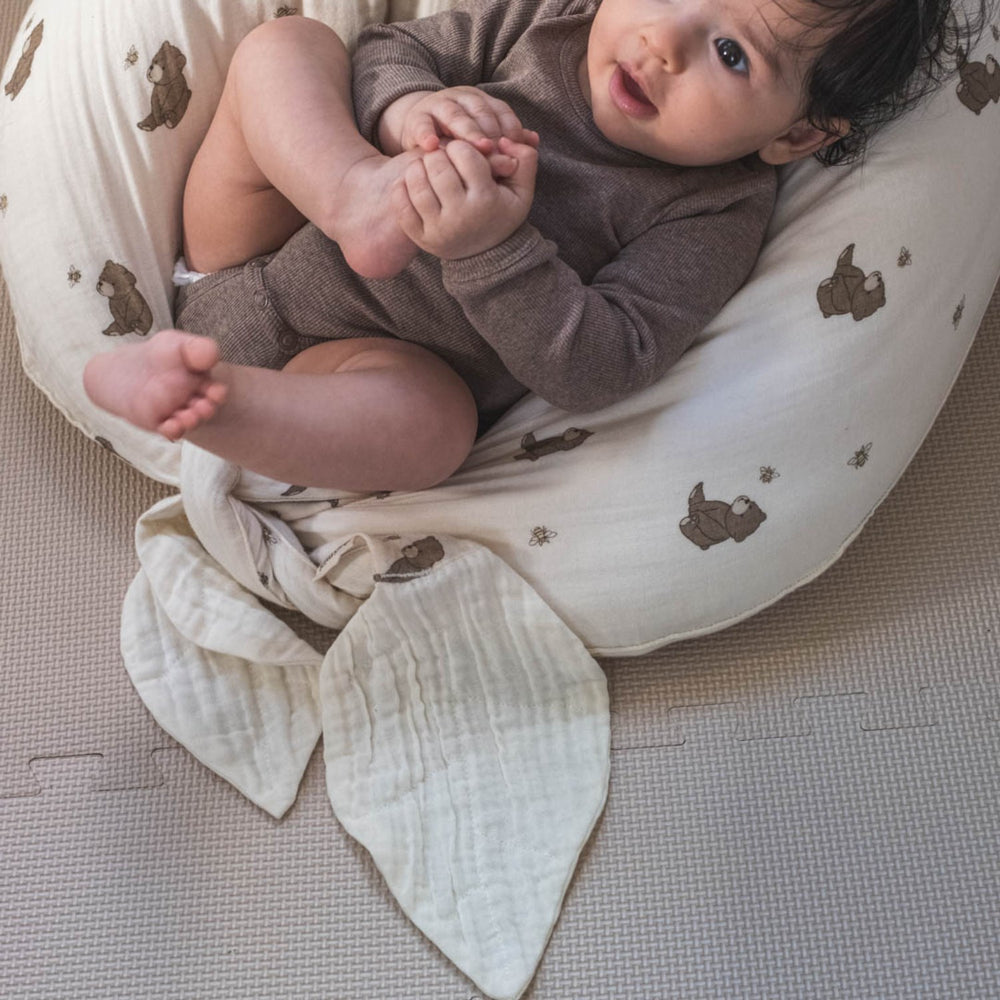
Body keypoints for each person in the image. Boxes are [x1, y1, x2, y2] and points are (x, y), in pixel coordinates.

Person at [83, 0, 979, 492]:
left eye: (732, 55)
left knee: (437, 429)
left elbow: (605, 364)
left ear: (797, 135)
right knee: (289, 48)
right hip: (258, 232)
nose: (663, 41)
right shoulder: (548, 18)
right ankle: (355, 195)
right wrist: (407, 111)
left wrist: (490, 250)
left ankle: (206, 399)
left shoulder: (715, 214)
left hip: (356, 367)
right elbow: (388, 50)